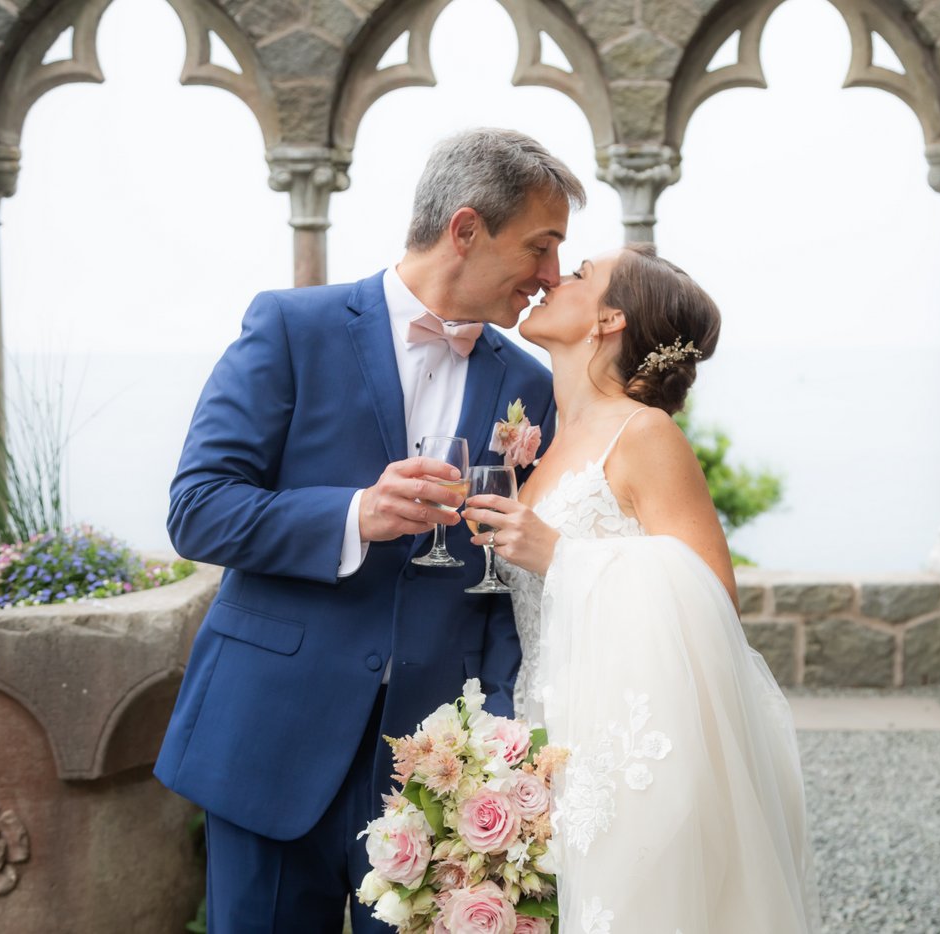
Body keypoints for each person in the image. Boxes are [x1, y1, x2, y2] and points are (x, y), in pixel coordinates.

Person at [154, 128, 585, 933]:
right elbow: (197, 507)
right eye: (541, 245)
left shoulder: (530, 384)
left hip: (439, 764)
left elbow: (511, 582)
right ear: (465, 230)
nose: (551, 275)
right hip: (271, 736)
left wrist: (494, 735)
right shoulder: (291, 327)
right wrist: (354, 515)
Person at [463, 244, 821, 933]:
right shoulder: (541, 446)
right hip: (547, 725)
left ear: (608, 321)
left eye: (576, 277)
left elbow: (712, 598)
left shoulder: (646, 434)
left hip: (630, 746)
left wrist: (560, 556)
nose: (550, 279)